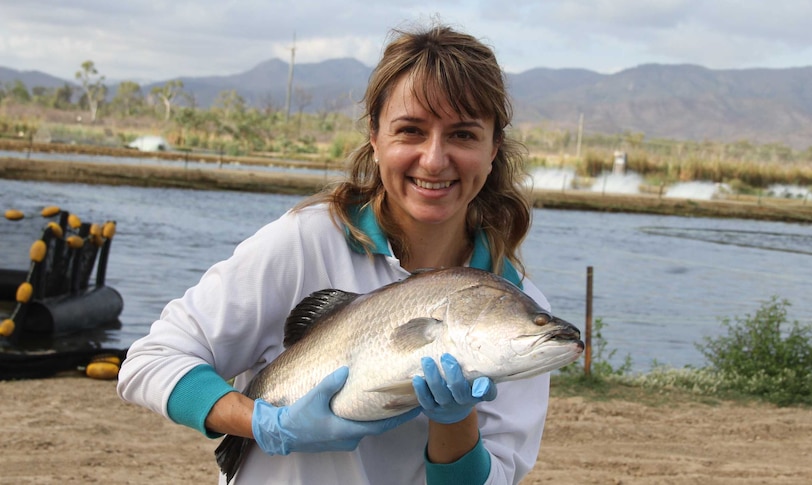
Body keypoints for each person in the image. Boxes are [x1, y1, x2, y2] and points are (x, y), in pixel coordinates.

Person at [118, 21, 554, 484]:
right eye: (410, 131)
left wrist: (454, 420)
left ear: (493, 149)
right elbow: (151, 361)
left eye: (463, 135)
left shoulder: (521, 316)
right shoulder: (306, 242)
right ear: (375, 134)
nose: (433, 159)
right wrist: (266, 424)